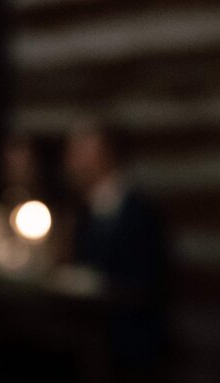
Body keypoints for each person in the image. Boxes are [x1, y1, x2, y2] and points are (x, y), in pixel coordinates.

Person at [64, 124, 168, 368]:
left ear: (107, 154)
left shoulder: (138, 213)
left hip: (128, 336)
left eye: (82, 151)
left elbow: (145, 283)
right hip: (91, 332)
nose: (72, 161)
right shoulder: (82, 210)